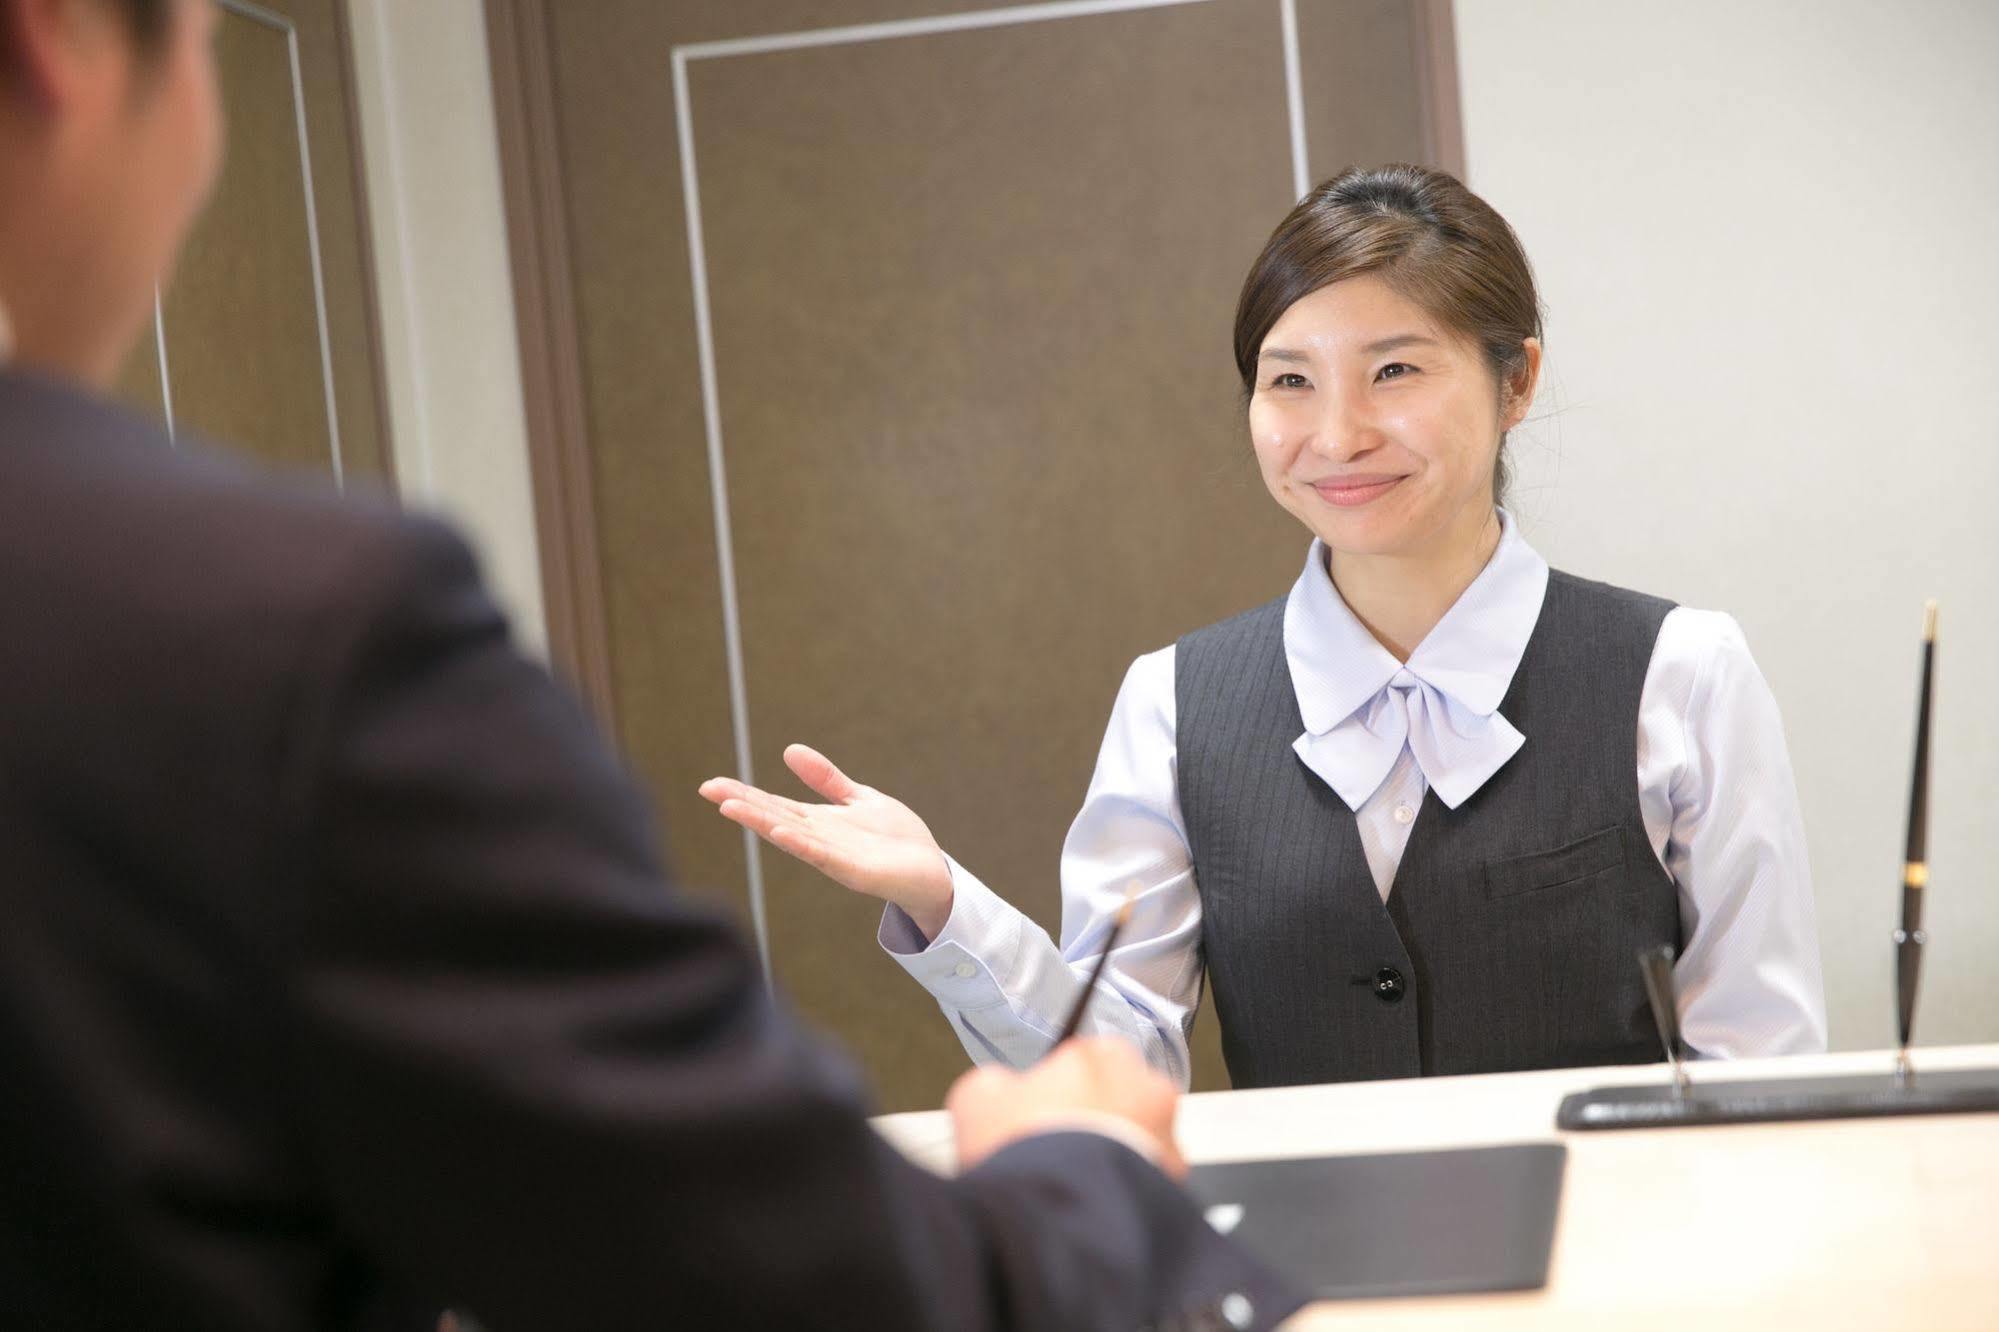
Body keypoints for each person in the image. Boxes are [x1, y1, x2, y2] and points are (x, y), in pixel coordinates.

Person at [0, 1, 1299, 1327]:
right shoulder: (293, 630)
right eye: (1288, 380)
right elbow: (798, 1276)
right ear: (69, 40)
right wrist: (1072, 1165)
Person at [704, 164, 1828, 1091]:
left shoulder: (1679, 674)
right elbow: (1119, 1066)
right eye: (1288, 380)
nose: (1335, 435)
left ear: (1516, 378)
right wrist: (943, 902)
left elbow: (1759, 1067)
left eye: (1394, 370)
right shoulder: (1175, 702)